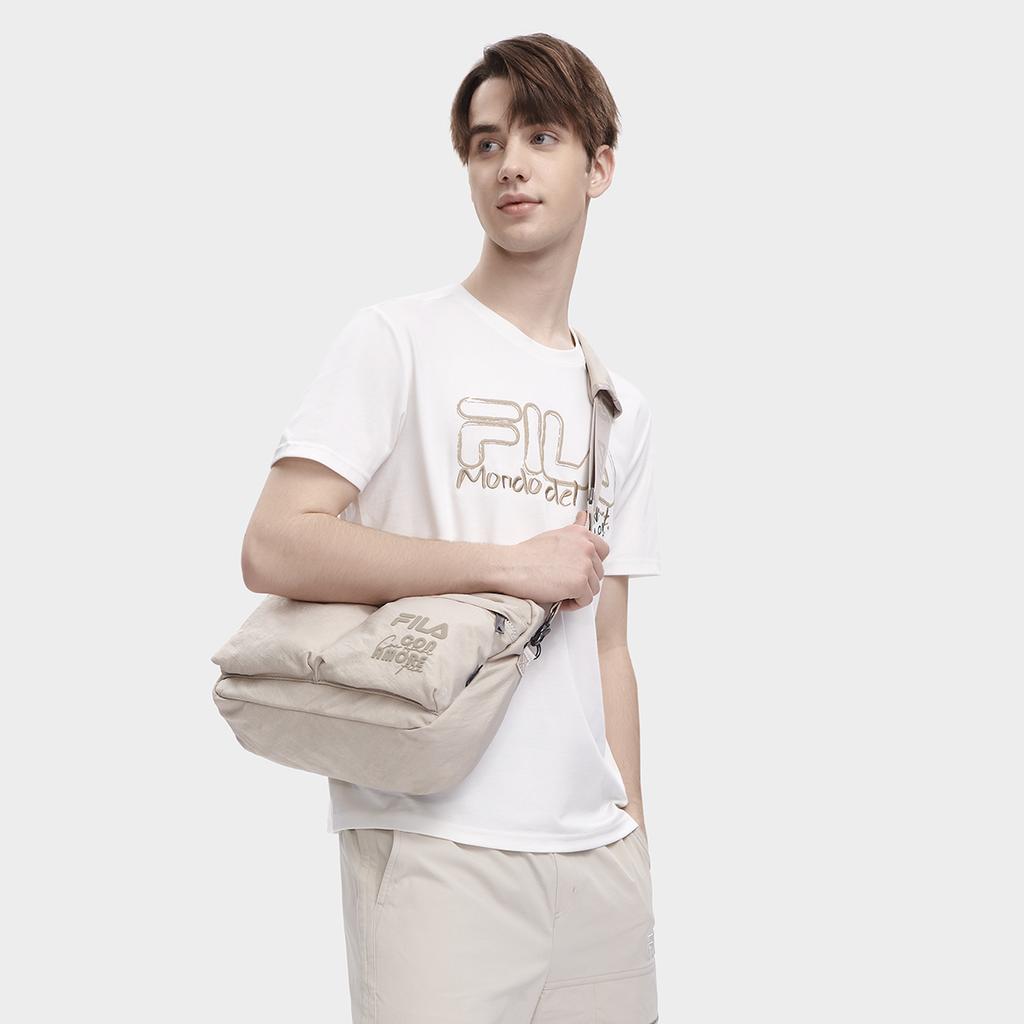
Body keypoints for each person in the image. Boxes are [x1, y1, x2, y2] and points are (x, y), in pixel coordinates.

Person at [241, 32, 661, 1024]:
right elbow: (274, 542)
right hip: (433, 846)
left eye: (541, 136)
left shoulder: (619, 407)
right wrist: (507, 567)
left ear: (599, 167)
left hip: (596, 864)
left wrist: (634, 833)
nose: (509, 163)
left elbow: (609, 646)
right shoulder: (396, 341)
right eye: (485, 143)